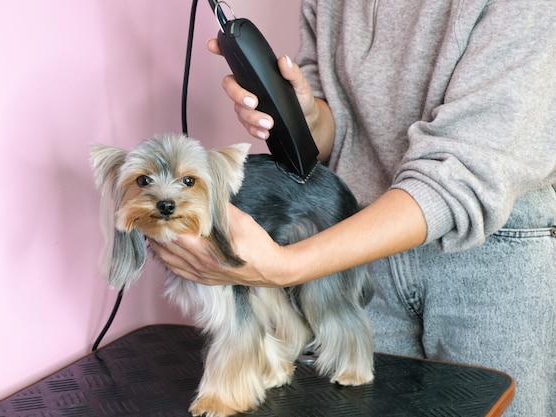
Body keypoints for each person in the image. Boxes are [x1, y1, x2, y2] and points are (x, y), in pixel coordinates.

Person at [150, 1, 556, 415]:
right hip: (350, 239)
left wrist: (284, 266)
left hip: (489, 257)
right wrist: (308, 116)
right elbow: (337, 129)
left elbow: (466, 174)